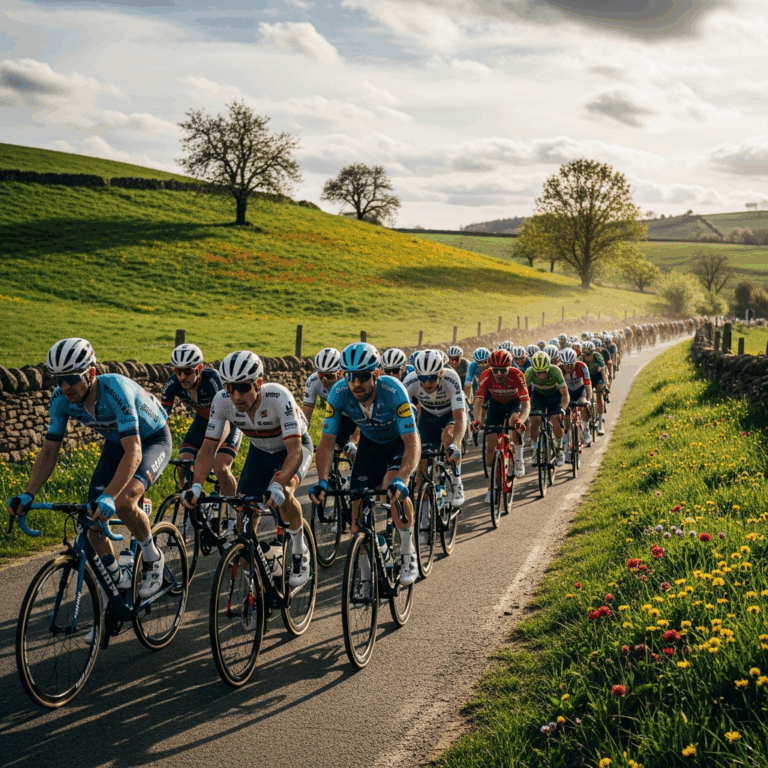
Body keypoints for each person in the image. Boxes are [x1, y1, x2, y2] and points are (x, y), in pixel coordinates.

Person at [8, 338, 172, 602]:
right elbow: (49, 451)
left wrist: (110, 495)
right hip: (117, 443)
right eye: (58, 379)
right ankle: (117, 578)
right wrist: (29, 493)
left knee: (124, 502)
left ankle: (153, 557)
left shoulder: (116, 390)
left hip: (152, 440)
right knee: (91, 514)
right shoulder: (60, 399)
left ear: (91, 373)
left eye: (71, 378)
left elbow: (135, 451)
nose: (65, 386)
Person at [181, 350, 314, 587]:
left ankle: (299, 549)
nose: (235, 396)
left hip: (293, 448)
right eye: (230, 388)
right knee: (243, 519)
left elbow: (295, 451)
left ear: (258, 383)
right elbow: (208, 449)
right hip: (260, 450)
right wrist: (197, 486)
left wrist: (278, 484)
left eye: (242, 388)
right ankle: (254, 586)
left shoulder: (278, 397)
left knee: (285, 493)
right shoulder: (222, 401)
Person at [310, 342, 421, 586]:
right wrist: (322, 481)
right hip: (370, 445)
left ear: (376, 374)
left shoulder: (394, 390)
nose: (356, 383)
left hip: (399, 442)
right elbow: (326, 442)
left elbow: (412, 442)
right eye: (351, 376)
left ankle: (407, 549)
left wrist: (403, 478)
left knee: (392, 485)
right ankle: (365, 575)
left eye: (363, 376)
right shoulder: (338, 392)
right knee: (356, 515)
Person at [161, 343, 241, 538]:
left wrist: (210, 453)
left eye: (187, 371)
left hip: (229, 422)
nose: (182, 376)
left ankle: (234, 517)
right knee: (183, 463)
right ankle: (197, 505)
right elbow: (160, 419)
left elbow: (224, 417)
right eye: (178, 371)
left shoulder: (212, 380)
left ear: (199, 369)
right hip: (202, 423)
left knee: (221, 467)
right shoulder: (173, 384)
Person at [403, 349, 466, 508]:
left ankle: (456, 482)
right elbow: (402, 416)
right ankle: (424, 514)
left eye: (432, 377)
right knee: (423, 465)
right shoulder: (410, 381)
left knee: (448, 436)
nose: (427, 383)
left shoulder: (451, 378)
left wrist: (456, 443)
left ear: (440, 373)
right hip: (428, 417)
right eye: (422, 378)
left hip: (449, 414)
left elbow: (460, 417)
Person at [471, 348, 530, 502]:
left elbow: (526, 404)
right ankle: (492, 485)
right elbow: (478, 402)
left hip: (514, 405)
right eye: (495, 370)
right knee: (490, 442)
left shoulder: (517, 375)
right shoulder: (486, 375)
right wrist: (476, 420)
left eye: (502, 370)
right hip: (496, 406)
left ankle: (518, 458)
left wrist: (521, 420)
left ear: (509, 368)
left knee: (513, 422)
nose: (498, 374)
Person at [302, 347, 358, 457]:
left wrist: (354, 440)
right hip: (338, 414)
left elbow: (364, 415)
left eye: (329, 376)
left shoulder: (351, 382)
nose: (324, 380)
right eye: (321, 375)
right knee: (331, 445)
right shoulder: (313, 381)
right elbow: (306, 415)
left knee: (359, 449)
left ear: (340, 372)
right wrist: (300, 438)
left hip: (358, 414)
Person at [524, 350, 570, 466]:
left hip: (554, 395)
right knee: (534, 420)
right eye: (537, 372)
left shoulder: (556, 371)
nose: (540, 375)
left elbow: (565, 395)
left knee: (555, 419)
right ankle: (535, 449)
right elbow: (523, 393)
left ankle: (559, 449)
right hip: (538, 396)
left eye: (543, 372)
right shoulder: (529, 372)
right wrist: (524, 409)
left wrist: (562, 408)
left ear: (548, 368)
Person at [558, 348, 593, 459]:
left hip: (580, 391)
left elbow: (588, 385)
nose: (567, 368)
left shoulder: (582, 366)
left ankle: (586, 430)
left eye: (570, 365)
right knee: (566, 421)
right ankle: (566, 448)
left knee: (583, 404)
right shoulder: (560, 369)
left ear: (575, 361)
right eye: (565, 365)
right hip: (567, 393)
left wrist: (588, 399)